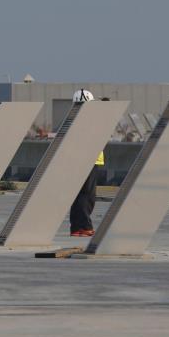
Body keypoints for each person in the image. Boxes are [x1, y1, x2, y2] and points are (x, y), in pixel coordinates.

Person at [69, 89, 105, 237]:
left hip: (77, 160)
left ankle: (77, 228)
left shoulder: (73, 117)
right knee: (87, 195)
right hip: (89, 159)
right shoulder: (89, 119)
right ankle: (85, 226)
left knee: (78, 195)